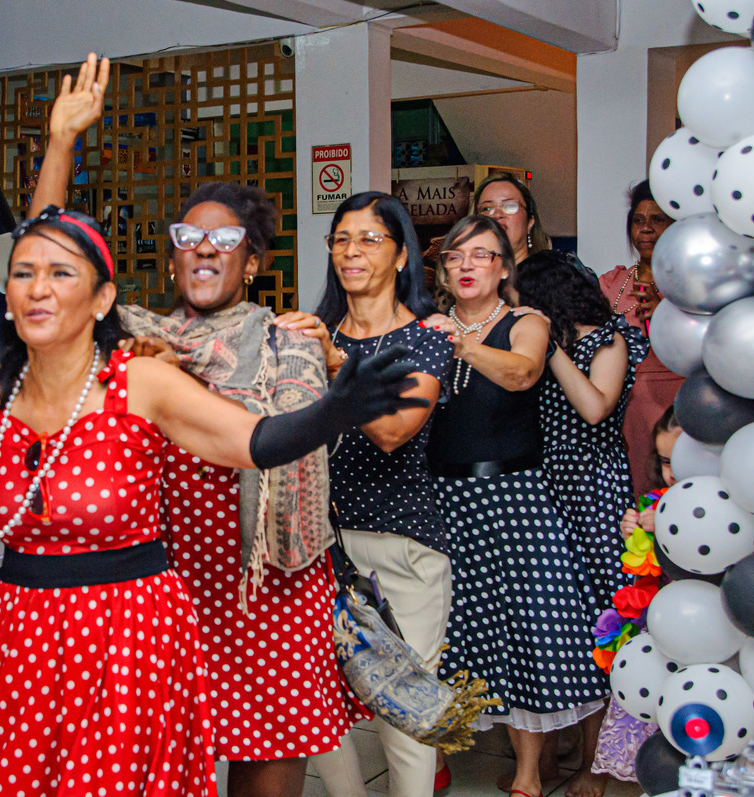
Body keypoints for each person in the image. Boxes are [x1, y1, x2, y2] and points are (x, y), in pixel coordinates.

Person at [0, 202, 425, 795]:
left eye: (61, 273)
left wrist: (333, 410)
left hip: (126, 638)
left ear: (103, 297)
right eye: (23, 273)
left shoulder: (141, 382)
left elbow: (253, 441)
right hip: (20, 638)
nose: (38, 287)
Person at [31, 55, 369, 797]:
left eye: (226, 237)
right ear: (173, 259)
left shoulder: (288, 342)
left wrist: (331, 366)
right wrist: (61, 143)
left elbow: (286, 431)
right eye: (188, 235)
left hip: (273, 597)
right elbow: (48, 268)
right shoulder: (137, 338)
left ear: (252, 263)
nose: (205, 246)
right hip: (165, 600)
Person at [275, 191, 454, 797]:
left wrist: (334, 362)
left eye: (370, 239)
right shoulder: (310, 333)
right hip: (316, 547)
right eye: (342, 239)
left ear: (401, 255)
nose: (352, 251)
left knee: (403, 716)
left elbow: (394, 432)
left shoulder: (424, 340)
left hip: (401, 546)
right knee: (316, 712)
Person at [425, 215, 610, 797]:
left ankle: (529, 774)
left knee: (528, 632)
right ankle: (435, 759)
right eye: (456, 256)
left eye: (481, 255)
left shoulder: (525, 321)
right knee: (452, 632)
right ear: (443, 270)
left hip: (513, 499)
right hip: (443, 499)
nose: (467, 265)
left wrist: (458, 344)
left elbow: (524, 372)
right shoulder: (425, 324)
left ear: (503, 268)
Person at [515, 256, 650, 797]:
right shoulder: (542, 345)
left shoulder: (608, 341)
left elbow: (595, 408)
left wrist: (551, 349)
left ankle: (597, 765)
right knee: (560, 627)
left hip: (593, 494)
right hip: (548, 490)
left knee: (600, 626)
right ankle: (548, 758)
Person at [593, 406, 682, 784]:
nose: (672, 473)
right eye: (664, 461)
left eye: (679, 460)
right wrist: (636, 534)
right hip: (661, 630)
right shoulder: (656, 500)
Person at [597, 180, 679, 496]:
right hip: (621, 407)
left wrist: (665, 316)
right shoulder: (611, 283)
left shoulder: (687, 284)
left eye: (657, 220)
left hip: (673, 405)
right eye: (638, 220)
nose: (645, 229)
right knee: (631, 495)